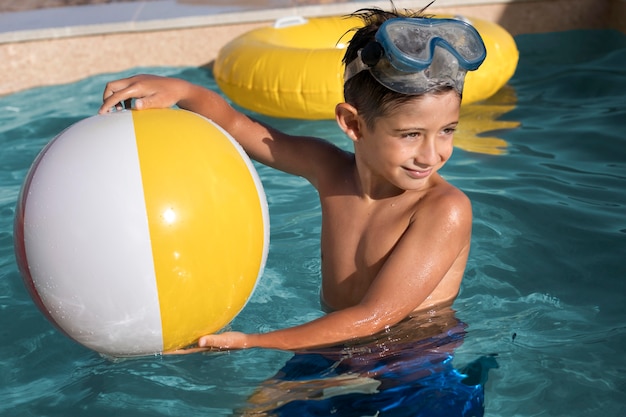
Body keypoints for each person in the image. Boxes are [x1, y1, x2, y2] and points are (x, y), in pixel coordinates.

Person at [98, 5, 487, 352]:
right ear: (352, 123)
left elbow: (374, 317)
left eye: (447, 131)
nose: (433, 153)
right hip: (330, 344)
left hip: (413, 363)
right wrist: (184, 90)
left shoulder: (444, 210)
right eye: (411, 135)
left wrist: (253, 342)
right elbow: (240, 126)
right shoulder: (330, 170)